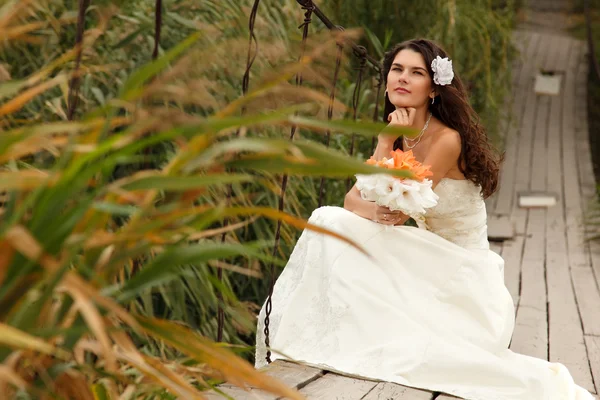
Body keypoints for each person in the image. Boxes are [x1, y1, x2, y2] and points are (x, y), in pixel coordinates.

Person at [255, 39, 593, 399]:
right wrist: (374, 208)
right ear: (385, 79)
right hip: (426, 257)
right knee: (329, 219)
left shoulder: (447, 140)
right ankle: (316, 333)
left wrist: (384, 144)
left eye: (416, 73)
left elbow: (400, 210)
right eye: (397, 70)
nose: (402, 78)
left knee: (333, 221)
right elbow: (354, 199)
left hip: (463, 278)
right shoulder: (404, 135)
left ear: (433, 88)